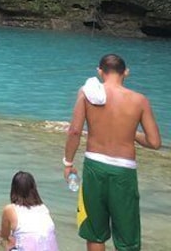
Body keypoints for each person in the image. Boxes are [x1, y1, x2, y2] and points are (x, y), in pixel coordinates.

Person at [63, 54, 161, 251]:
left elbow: (74, 131)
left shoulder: (87, 93)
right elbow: (154, 142)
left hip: (94, 167)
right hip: (124, 173)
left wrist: (68, 163)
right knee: (127, 238)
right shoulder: (140, 100)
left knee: (95, 233)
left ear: (100, 71)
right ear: (126, 72)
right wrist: (131, 133)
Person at [0, 171, 58, 251]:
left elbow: (4, 236)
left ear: (13, 189)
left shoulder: (10, 209)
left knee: (6, 242)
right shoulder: (43, 207)